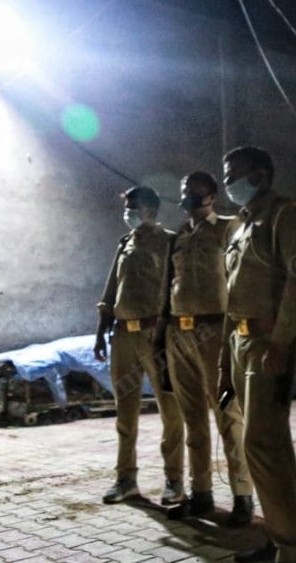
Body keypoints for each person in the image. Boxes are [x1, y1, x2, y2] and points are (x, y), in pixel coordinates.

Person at [218, 146, 296, 563]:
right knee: (267, 444)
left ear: (262, 173)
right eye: (225, 175)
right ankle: (281, 536)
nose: (229, 182)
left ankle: (294, 548)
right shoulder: (242, 226)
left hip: (268, 344)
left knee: (261, 442)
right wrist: (225, 364)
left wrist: (280, 342)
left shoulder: (286, 216)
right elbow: (232, 298)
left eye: (235, 174)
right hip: (242, 342)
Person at [164, 171, 255, 525]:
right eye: (184, 191)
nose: (188, 197)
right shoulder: (180, 236)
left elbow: (241, 276)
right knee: (192, 418)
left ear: (212, 196)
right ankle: (200, 493)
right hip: (179, 331)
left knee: (227, 416)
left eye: (196, 192)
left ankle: (243, 496)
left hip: (215, 329)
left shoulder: (229, 228)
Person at [95, 186, 186, 506]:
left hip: (156, 336)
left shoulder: (170, 242)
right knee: (125, 413)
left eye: (133, 207)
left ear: (151, 210)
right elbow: (110, 293)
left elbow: (178, 291)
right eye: (127, 207)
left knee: (170, 411)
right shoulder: (124, 243)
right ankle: (125, 479)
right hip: (123, 336)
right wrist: (100, 331)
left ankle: (174, 480)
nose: (128, 213)